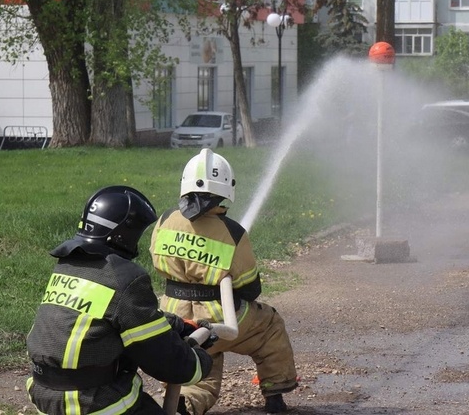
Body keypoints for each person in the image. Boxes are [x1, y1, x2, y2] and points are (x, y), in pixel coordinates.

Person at [27, 185, 214, 415]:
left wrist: (177, 325)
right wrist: (201, 359)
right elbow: (166, 360)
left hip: (46, 396)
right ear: (124, 232)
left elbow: (111, 315)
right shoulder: (124, 276)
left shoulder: (69, 266)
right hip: (92, 404)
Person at [150, 148, 298, 415]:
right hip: (219, 316)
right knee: (269, 328)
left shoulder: (164, 221)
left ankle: (185, 403)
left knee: (199, 363)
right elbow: (251, 288)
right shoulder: (232, 232)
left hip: (173, 317)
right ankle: (275, 397)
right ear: (226, 188)